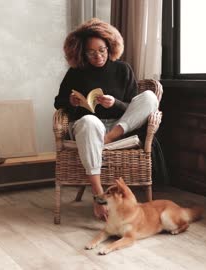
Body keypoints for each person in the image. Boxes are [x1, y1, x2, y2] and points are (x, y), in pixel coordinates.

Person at [54, 18, 158, 220]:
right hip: (88, 128)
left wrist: (116, 104)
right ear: (82, 53)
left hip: (118, 128)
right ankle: (98, 195)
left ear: (110, 46)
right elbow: (58, 102)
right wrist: (72, 101)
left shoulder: (123, 69)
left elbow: (132, 107)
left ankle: (108, 140)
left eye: (102, 50)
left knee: (149, 98)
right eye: (91, 52)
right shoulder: (75, 72)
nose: (98, 56)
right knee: (89, 121)